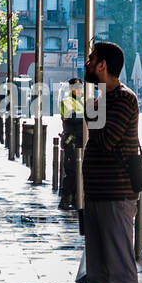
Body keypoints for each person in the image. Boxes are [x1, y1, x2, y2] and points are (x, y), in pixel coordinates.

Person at [70, 41, 142, 283]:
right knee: (97, 273)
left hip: (117, 197)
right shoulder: (101, 100)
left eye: (91, 58)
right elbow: (90, 136)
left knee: (122, 274)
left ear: (102, 66)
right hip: (97, 196)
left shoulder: (125, 100)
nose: (87, 63)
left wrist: (87, 107)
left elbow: (106, 139)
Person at [58, 77, 86, 210]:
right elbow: (72, 118)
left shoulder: (84, 102)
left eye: (80, 87)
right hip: (71, 141)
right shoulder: (67, 102)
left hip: (82, 141)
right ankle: (65, 198)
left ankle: (76, 198)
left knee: (81, 171)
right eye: (76, 87)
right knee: (71, 171)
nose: (79, 90)